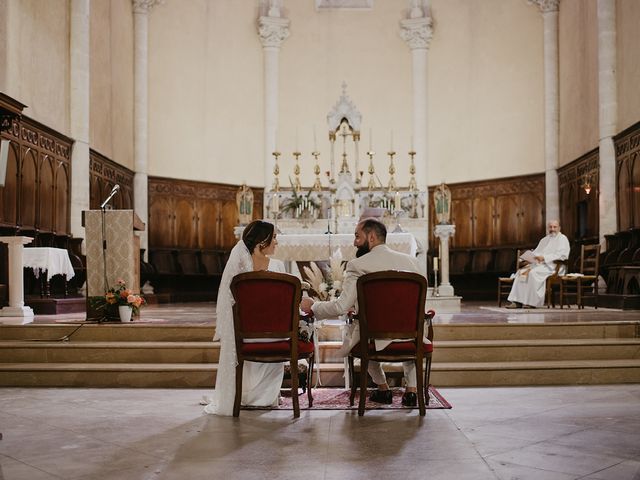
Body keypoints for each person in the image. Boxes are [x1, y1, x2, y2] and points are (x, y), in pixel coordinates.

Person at [300, 218, 425, 407]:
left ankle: (383, 388)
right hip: (411, 335)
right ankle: (412, 392)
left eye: (357, 237)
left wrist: (313, 306)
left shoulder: (357, 265)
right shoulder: (412, 263)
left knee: (361, 333)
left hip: (373, 336)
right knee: (407, 333)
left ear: (372, 237)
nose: (354, 242)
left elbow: (341, 307)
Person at [204, 220, 285, 416]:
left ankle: (243, 394)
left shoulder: (239, 271)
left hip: (245, 335)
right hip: (276, 334)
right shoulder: (277, 266)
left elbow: (230, 302)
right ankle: (266, 396)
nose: (277, 242)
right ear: (261, 241)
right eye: (274, 237)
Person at [506, 219, 570, 309]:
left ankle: (532, 303)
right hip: (541, 265)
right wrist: (527, 258)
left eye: (555, 227)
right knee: (522, 272)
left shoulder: (563, 239)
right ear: (548, 228)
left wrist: (544, 258)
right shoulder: (544, 239)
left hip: (555, 267)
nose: (552, 229)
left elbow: (563, 255)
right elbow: (536, 252)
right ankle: (517, 301)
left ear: (559, 228)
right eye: (550, 227)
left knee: (533, 273)